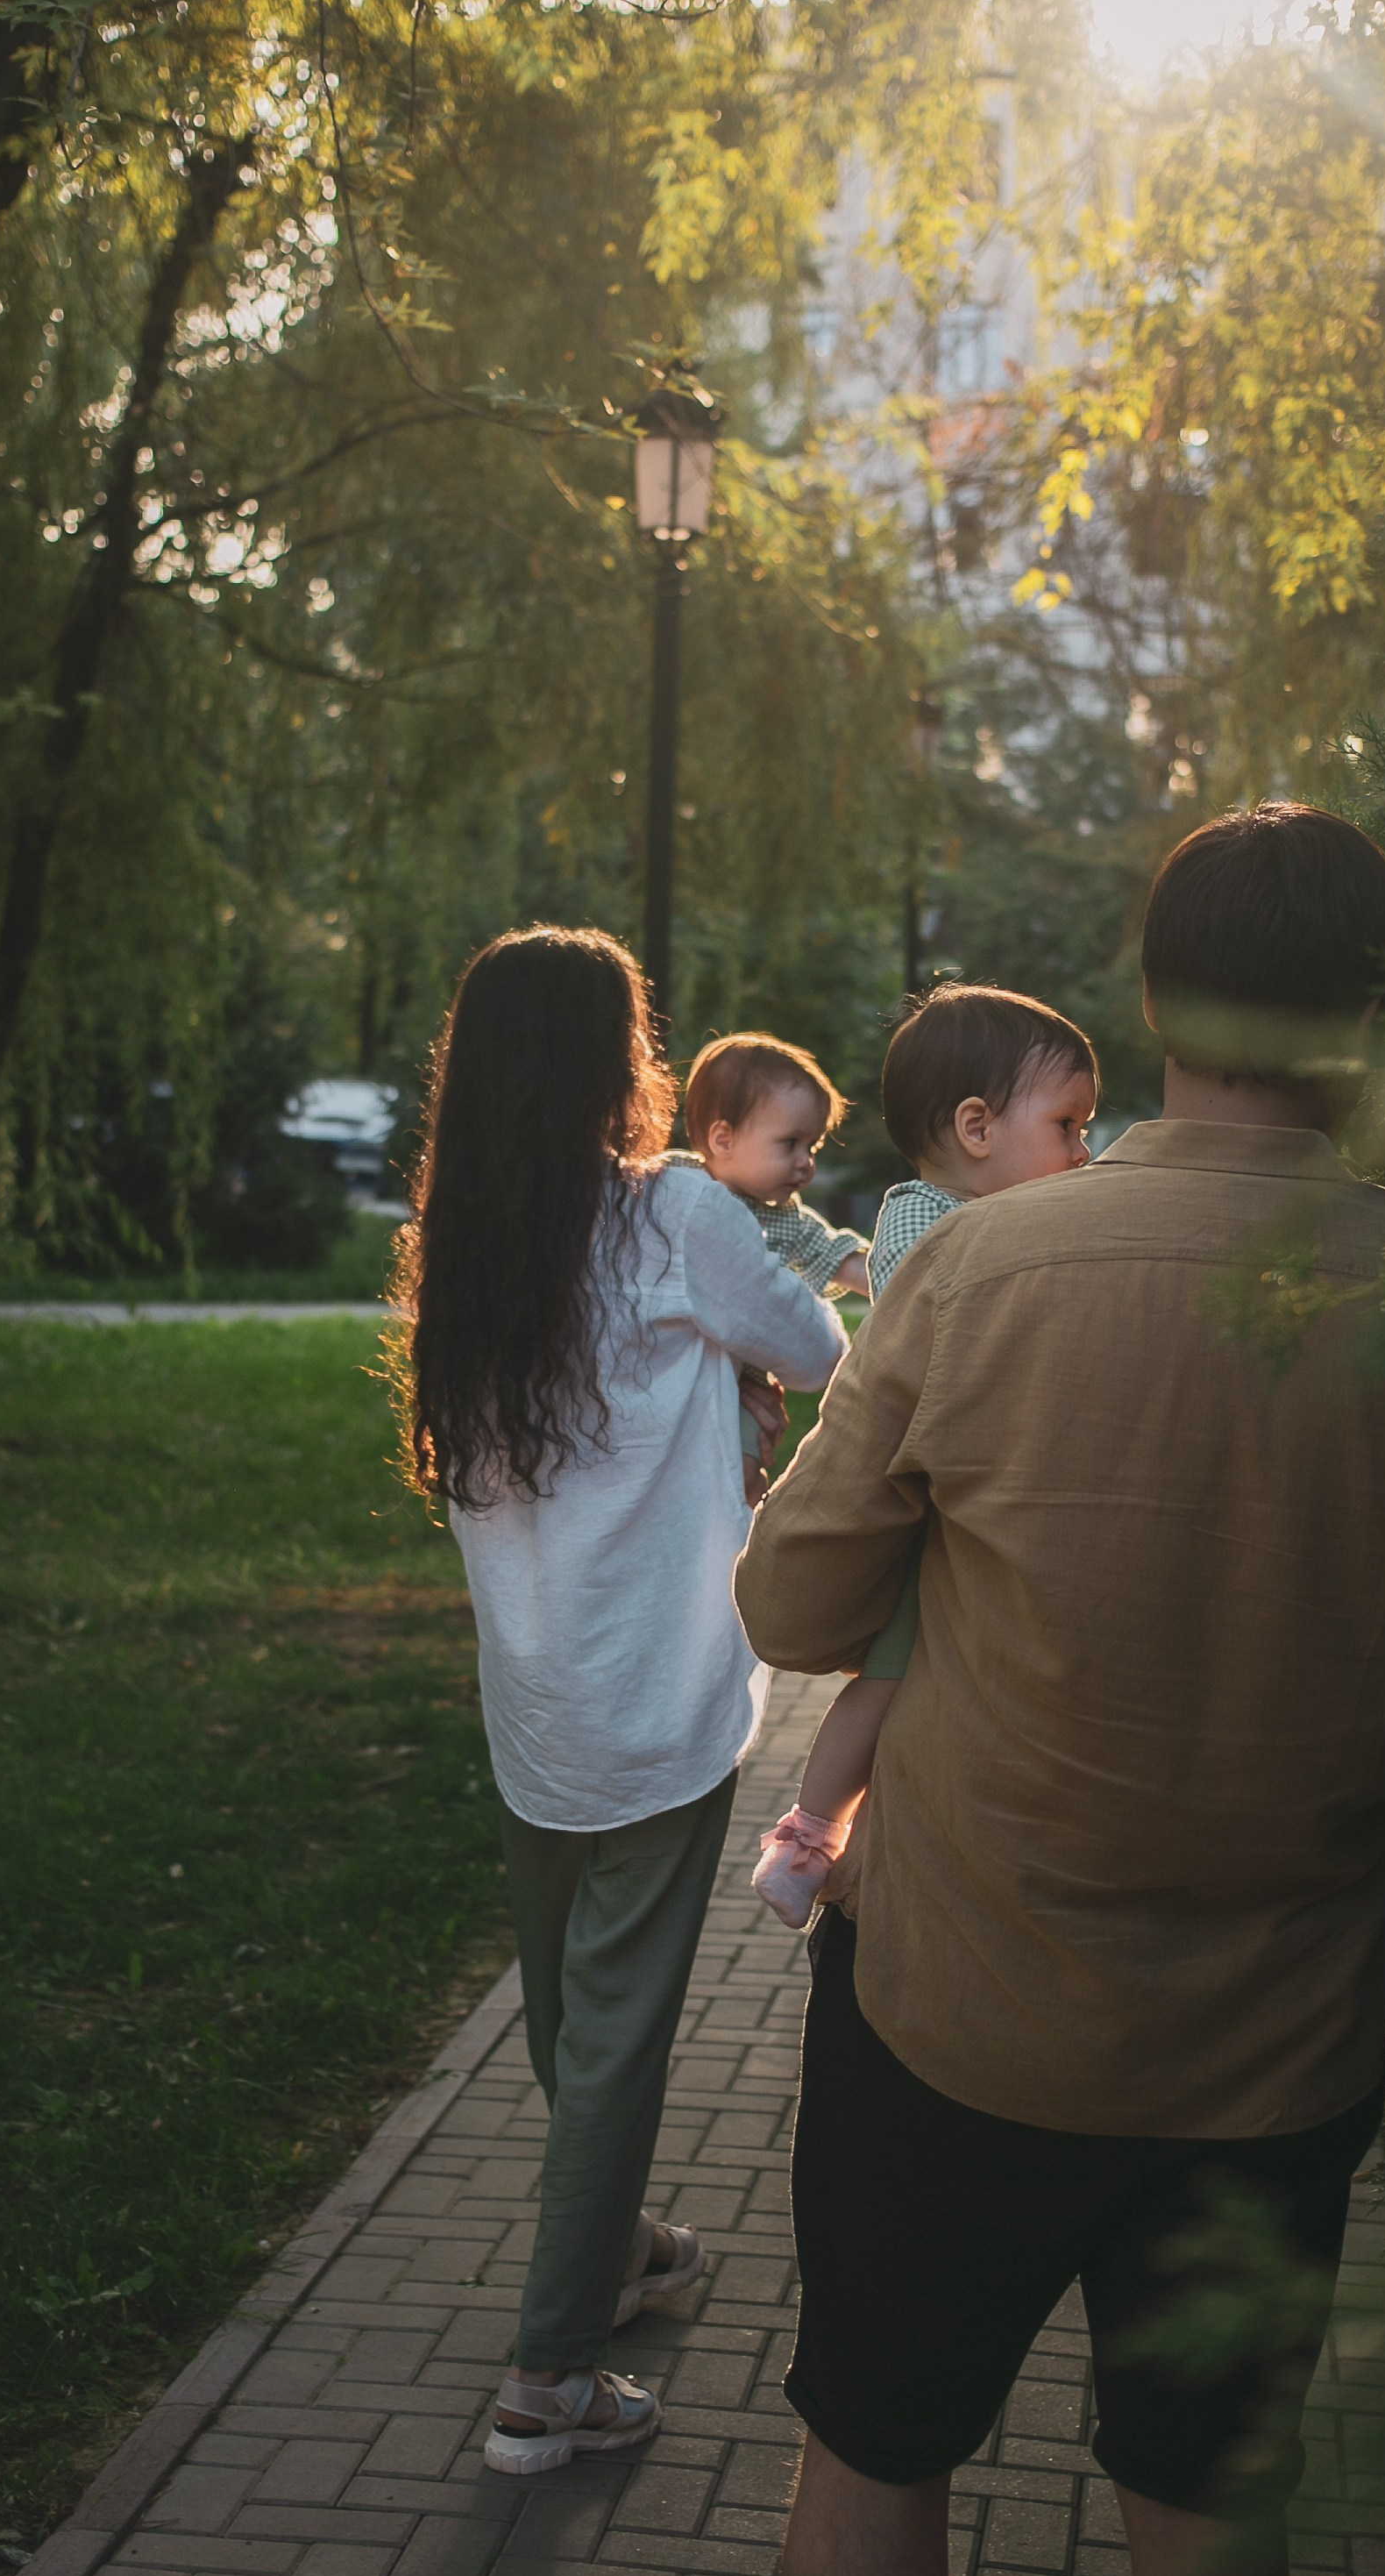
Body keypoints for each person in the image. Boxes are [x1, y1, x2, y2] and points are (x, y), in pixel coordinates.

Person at [735, 807, 1385, 2576]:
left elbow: (795, 1594)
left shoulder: (981, 1267)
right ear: (1367, 1021)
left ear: (1151, 1000)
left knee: (873, 2456)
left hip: (954, 2012)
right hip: (1269, 2052)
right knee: (1206, 2522)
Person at [392, 927, 846, 2479]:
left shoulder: (466, 1236)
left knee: (573, 2017)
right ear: (616, 1061)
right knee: (617, 2043)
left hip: (537, 1699)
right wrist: (728, 1377)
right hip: (654, 1692)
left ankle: (629, 2243)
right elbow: (821, 1341)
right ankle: (547, 2379)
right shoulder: (670, 1210)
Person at [749, 986, 1099, 1928]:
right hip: (915, 1501)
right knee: (893, 1673)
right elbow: (941, 1328)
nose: (1082, 1153)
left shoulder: (1011, 1223)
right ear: (976, 1127)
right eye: (1068, 1125)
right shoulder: (920, 1217)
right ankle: (809, 1833)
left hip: (966, 1501)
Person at [663, 1031, 871, 1504]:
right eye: (791, 1144)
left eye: (813, 1148)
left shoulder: (785, 1216)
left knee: (737, 1481)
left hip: (747, 1387)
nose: (805, 1164)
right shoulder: (670, 1184)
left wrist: (913, 1280)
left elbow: (843, 1260)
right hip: (678, 1373)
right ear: (723, 1139)